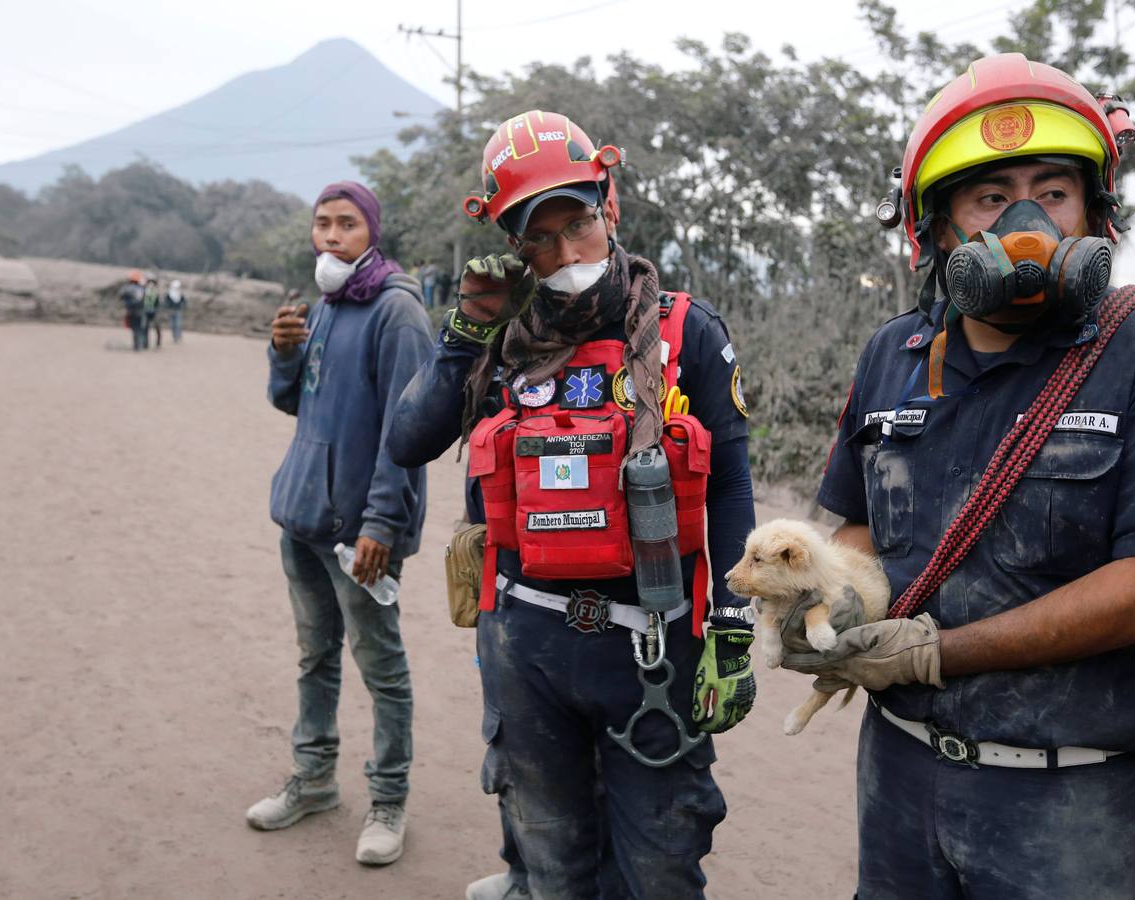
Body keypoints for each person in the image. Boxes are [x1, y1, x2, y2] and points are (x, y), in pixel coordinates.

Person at [781, 52, 1135, 898]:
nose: (1027, 221)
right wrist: (824, 607)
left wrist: (935, 655)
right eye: (992, 197)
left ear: (1092, 213)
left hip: (1073, 802)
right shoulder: (895, 352)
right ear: (938, 226)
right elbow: (854, 531)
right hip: (899, 777)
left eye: (1052, 191)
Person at [388, 111, 757, 899]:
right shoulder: (496, 337)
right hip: (526, 649)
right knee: (551, 863)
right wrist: (468, 327)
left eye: (578, 224)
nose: (565, 254)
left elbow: (727, 480)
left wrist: (732, 623)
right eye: (540, 239)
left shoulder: (682, 330)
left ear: (610, 205)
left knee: (657, 869)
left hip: (652, 651)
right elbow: (407, 441)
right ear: (514, 244)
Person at [246, 180, 431, 868]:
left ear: (371, 232)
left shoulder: (396, 312)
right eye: (321, 224)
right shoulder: (325, 305)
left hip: (360, 532)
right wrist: (284, 350)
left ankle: (388, 799)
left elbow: (404, 433)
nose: (330, 236)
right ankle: (314, 779)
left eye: (345, 224)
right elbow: (291, 402)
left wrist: (382, 521)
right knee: (314, 656)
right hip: (302, 518)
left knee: (380, 666)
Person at [119, 271, 146, 350]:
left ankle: (137, 345)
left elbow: (121, 297)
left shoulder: (127, 288)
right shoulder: (141, 289)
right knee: (139, 329)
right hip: (139, 312)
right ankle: (139, 345)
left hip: (131, 311)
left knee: (135, 329)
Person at [142, 275, 162, 349]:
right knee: (145, 328)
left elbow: (158, 303)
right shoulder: (144, 291)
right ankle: (145, 343)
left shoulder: (156, 292)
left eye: (152, 282)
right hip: (146, 311)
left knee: (157, 327)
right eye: (149, 282)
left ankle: (158, 343)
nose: (151, 284)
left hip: (154, 311)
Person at [165, 279, 186, 344]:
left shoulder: (180, 294)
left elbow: (184, 302)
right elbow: (166, 302)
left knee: (177, 324)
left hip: (178, 311)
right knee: (172, 325)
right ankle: (174, 337)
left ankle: (177, 337)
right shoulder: (169, 294)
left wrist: (182, 306)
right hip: (171, 311)